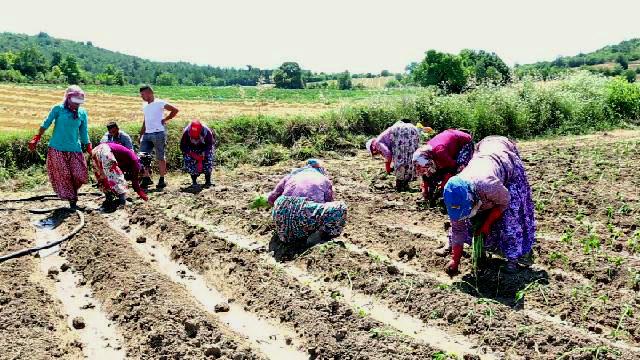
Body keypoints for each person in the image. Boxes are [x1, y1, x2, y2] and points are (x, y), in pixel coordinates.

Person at [442, 136, 536, 274]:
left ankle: (514, 258)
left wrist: (486, 224)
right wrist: (455, 261)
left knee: (511, 216)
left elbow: (504, 203)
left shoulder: (487, 185)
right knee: (471, 222)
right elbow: (458, 229)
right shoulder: (453, 196)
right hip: (484, 155)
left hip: (505, 163)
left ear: (472, 197)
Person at [28, 85, 91, 209]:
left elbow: (84, 131)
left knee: (80, 175)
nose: (78, 105)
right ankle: (72, 200)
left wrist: (88, 146)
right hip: (57, 148)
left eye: (80, 102)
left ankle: (72, 193)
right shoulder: (58, 109)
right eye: (75, 101)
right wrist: (36, 138)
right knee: (65, 175)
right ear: (68, 98)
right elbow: (46, 124)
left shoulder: (82, 113)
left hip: (74, 149)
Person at [268, 159, 348, 244]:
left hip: (281, 222)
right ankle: (320, 236)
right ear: (320, 169)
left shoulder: (291, 176)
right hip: (304, 217)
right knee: (340, 208)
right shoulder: (324, 180)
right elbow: (328, 202)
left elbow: (271, 199)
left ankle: (290, 233)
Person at [412, 129, 474, 202]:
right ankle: (429, 194)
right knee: (431, 171)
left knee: (458, 168)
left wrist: (442, 187)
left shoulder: (440, 152)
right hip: (448, 142)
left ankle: (449, 193)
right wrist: (425, 191)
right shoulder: (422, 153)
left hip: (464, 142)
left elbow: (452, 167)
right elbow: (425, 174)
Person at [138, 84, 179, 189]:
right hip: (147, 134)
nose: (142, 97)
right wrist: (141, 134)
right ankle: (146, 178)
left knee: (160, 157)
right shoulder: (145, 105)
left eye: (143, 94)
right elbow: (145, 120)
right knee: (143, 156)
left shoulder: (159, 103)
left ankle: (161, 179)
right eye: (141, 94)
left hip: (158, 133)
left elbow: (175, 110)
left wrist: (166, 119)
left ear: (149, 93)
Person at [366, 120, 421, 191]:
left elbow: (388, 154)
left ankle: (401, 184)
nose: (376, 153)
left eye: (374, 153)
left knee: (400, 159)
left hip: (399, 131)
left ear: (372, 148)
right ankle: (405, 183)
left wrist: (387, 167)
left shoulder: (377, 143)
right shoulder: (381, 139)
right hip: (413, 129)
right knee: (410, 156)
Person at [91, 142, 148, 210]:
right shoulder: (135, 161)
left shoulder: (128, 157)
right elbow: (134, 181)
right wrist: (140, 192)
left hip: (96, 150)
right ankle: (122, 201)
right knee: (117, 176)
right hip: (105, 150)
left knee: (103, 176)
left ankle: (109, 199)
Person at [180, 120, 215, 188]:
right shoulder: (186, 132)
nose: (195, 139)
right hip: (191, 149)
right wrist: (192, 154)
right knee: (189, 160)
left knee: (208, 159)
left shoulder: (207, 131)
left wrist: (204, 153)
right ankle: (194, 182)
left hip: (204, 148)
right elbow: (182, 146)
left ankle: (208, 181)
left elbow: (210, 144)